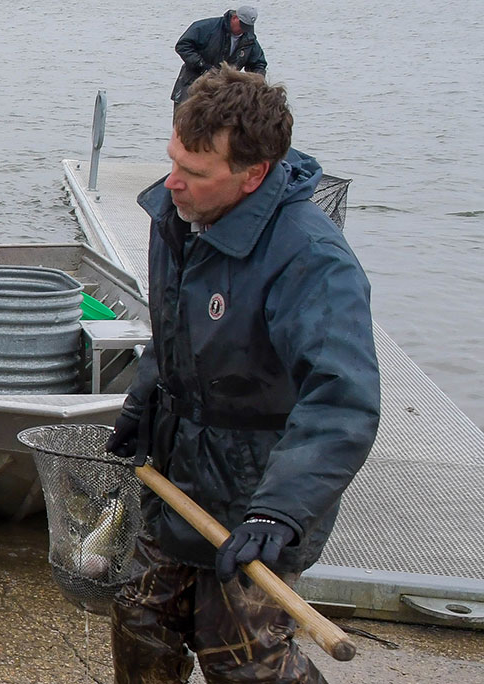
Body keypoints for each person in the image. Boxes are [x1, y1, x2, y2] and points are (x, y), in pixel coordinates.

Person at [107, 66, 380, 684]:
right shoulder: (176, 215)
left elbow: (343, 401)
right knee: (141, 620)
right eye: (173, 158)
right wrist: (140, 405)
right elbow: (174, 330)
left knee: (242, 658)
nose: (172, 182)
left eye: (197, 173)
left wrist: (279, 511)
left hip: (262, 484)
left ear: (253, 175)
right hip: (179, 468)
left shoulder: (313, 260)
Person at [172, 6, 266, 106]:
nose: (243, 30)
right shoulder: (206, 27)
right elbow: (183, 46)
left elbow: (258, 64)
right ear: (235, 18)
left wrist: (254, 82)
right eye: (242, 25)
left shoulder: (249, 40)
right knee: (185, 120)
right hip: (191, 87)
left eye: (247, 27)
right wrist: (202, 65)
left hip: (223, 95)